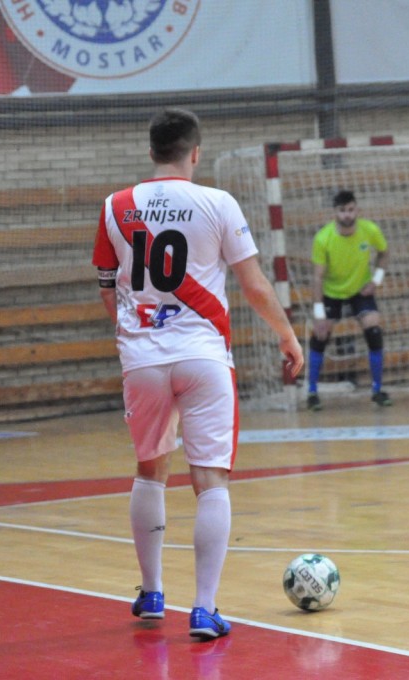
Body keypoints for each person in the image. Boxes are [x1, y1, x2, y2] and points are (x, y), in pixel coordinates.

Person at [91, 108, 303, 641]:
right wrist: (286, 333)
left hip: (142, 359)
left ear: (150, 153)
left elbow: (105, 289)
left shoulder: (116, 207)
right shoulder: (217, 203)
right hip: (204, 356)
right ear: (196, 152)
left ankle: (153, 591)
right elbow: (254, 285)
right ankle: (205, 609)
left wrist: (135, 337)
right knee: (210, 481)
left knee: (149, 469)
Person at [306, 190, 392, 410]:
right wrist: (319, 315)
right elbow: (317, 276)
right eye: (342, 211)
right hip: (331, 292)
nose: (347, 215)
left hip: (359, 290)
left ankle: (377, 390)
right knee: (320, 335)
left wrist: (376, 280)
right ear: (335, 212)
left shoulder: (369, 230)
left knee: (373, 328)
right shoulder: (323, 238)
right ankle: (312, 393)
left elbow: (384, 252)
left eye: (350, 210)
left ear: (357, 210)